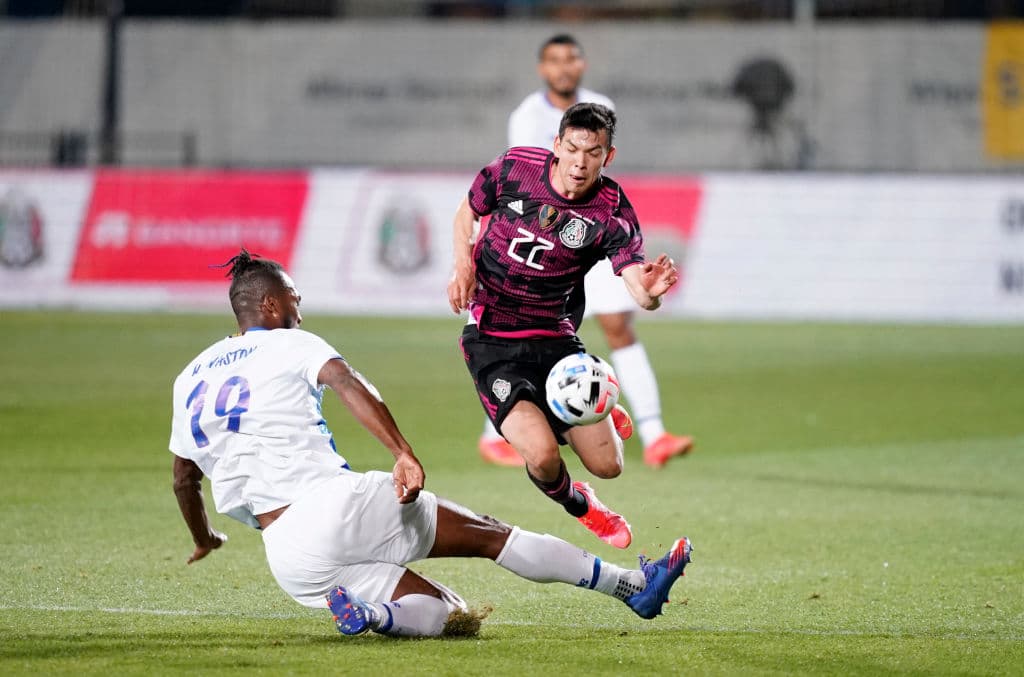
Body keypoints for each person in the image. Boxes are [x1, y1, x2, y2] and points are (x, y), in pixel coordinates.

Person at [170, 249, 692, 639]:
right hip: (333, 507)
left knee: (452, 615)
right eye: (293, 299)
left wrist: (204, 536)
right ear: (269, 302)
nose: (299, 310)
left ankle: (372, 615)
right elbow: (349, 383)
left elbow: (183, 476)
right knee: (493, 537)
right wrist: (401, 451)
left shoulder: (191, 375)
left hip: (286, 554)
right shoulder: (292, 342)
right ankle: (632, 587)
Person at [448, 102, 679, 550]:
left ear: (607, 157)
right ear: (557, 145)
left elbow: (639, 289)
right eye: (572, 149)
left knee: (610, 466)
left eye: (592, 153)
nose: (580, 162)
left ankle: (600, 398)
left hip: (555, 340)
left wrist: (651, 293)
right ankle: (583, 506)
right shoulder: (515, 168)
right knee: (542, 455)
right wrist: (463, 267)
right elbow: (466, 211)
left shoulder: (611, 211)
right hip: (493, 340)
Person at [477, 33, 694, 470]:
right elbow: (530, 180)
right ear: (543, 68)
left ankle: (654, 434)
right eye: (554, 60)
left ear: (582, 65)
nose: (563, 67)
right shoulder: (529, 115)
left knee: (618, 324)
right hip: (543, 240)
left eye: (571, 59)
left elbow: (593, 177)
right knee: (520, 326)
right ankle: (497, 432)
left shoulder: (599, 104)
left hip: (587, 233)